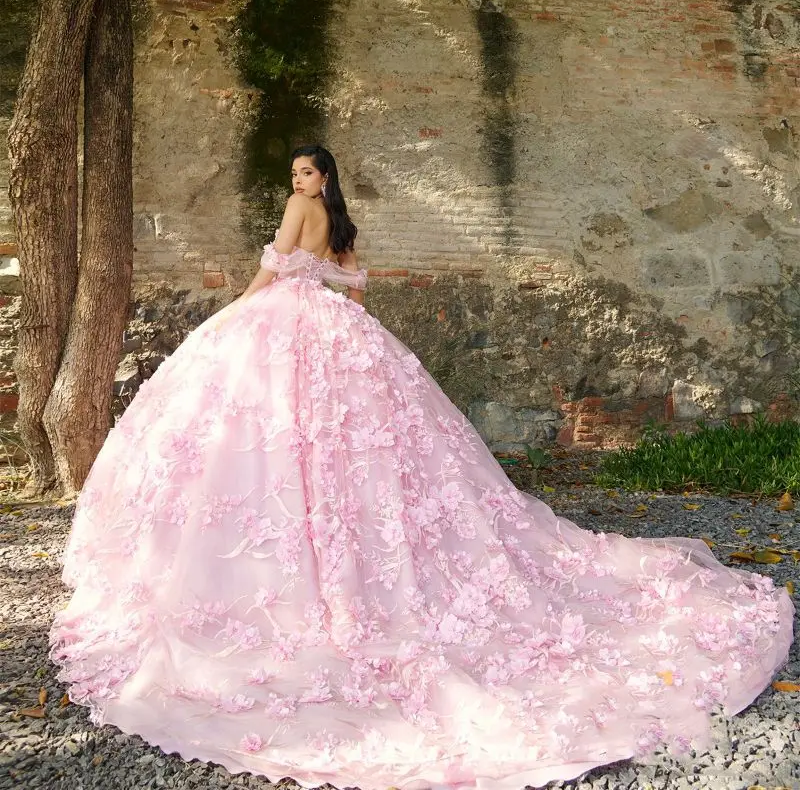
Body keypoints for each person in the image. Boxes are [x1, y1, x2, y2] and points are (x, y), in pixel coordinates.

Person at [50, 144, 794, 790]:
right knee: (349, 448)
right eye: (296, 174)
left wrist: (226, 314)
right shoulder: (342, 224)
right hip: (339, 330)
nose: (299, 181)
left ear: (322, 176)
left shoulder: (294, 210)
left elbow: (273, 271)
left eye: (307, 172)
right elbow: (355, 284)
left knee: (277, 442)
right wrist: (330, 295)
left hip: (283, 326)